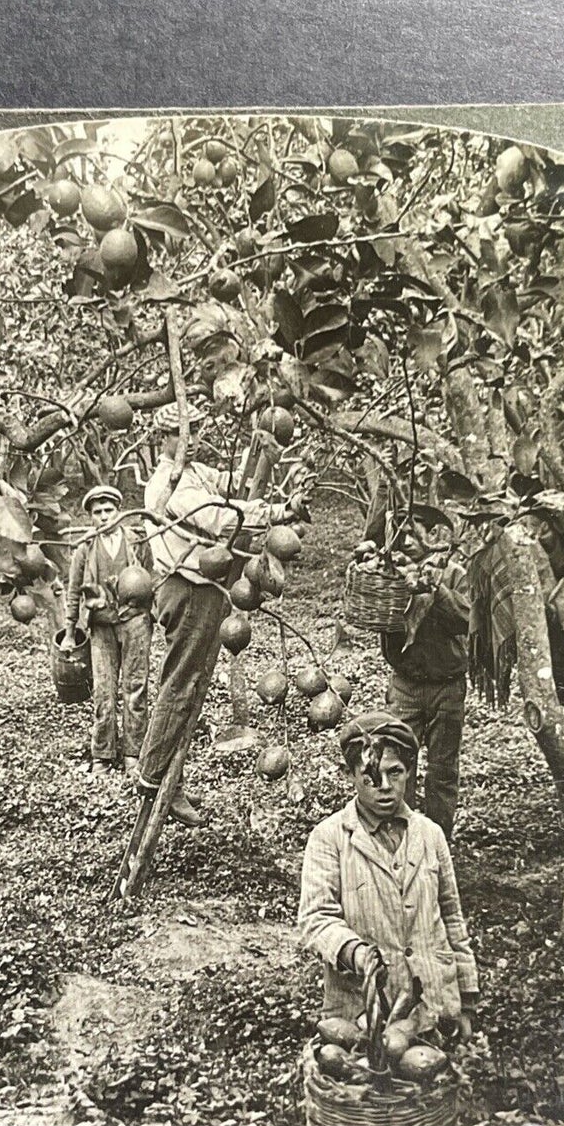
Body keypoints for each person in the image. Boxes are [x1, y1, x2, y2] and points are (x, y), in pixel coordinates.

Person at [136, 402, 282, 828]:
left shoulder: (195, 472)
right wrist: (277, 513)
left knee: (193, 682)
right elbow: (217, 516)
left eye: (197, 430)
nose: (193, 440)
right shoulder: (170, 483)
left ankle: (171, 780)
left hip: (207, 587)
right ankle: (151, 777)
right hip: (187, 590)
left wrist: (260, 452)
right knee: (182, 682)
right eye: (184, 433)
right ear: (164, 439)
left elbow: (230, 486)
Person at [298, 711, 478, 1040]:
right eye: (369, 776)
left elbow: (452, 918)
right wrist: (354, 952)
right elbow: (315, 917)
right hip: (361, 1014)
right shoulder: (329, 838)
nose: (384, 787)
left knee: (442, 1084)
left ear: (410, 771)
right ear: (350, 775)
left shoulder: (430, 834)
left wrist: (466, 1001)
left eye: (394, 773)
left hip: (434, 1006)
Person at [377, 505, 471, 839]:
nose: (405, 539)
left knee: (443, 770)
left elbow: (466, 619)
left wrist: (435, 589)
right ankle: (402, 837)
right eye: (399, 532)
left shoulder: (452, 572)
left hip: (447, 686)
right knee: (399, 763)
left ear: (431, 536)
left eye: (413, 531)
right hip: (406, 685)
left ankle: (438, 840)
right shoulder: (389, 571)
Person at [65, 484, 154, 778]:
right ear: (91, 516)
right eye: (98, 512)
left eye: (109, 511)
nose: (104, 517)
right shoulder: (85, 547)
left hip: (134, 622)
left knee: (135, 688)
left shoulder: (137, 541)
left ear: (119, 512)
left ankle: (133, 753)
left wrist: (153, 613)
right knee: (103, 691)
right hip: (101, 626)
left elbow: (152, 577)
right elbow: (74, 590)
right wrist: (69, 630)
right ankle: (102, 754)